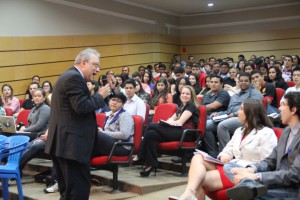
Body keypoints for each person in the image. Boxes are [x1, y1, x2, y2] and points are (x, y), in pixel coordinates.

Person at [172, 99, 277, 200]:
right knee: (197, 157)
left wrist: (250, 169)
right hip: (230, 165)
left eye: (241, 109)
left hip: (245, 172)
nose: (238, 112)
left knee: (197, 180)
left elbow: (268, 163)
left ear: (250, 113)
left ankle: (188, 194)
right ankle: (188, 194)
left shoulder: (266, 133)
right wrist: (224, 155)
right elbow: (227, 150)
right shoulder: (239, 131)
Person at [44, 48, 111, 200]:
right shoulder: (74, 78)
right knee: (78, 193)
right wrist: (100, 96)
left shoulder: (68, 76)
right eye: (95, 65)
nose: (98, 69)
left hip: (65, 144)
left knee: (68, 193)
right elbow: (82, 107)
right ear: (83, 63)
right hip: (72, 146)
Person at [226, 92, 300, 200]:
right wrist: (252, 169)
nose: (279, 108)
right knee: (231, 168)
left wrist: (257, 176)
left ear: (293, 110)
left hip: (293, 190)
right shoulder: (287, 131)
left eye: (283, 105)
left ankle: (249, 186)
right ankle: (249, 185)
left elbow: (295, 175)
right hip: (278, 183)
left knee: (245, 195)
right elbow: (270, 161)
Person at [133, 85, 199, 177]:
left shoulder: (191, 106)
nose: (184, 95)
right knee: (151, 134)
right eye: (183, 93)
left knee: (151, 125)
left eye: (187, 94)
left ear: (192, 96)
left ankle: (140, 155)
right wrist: (168, 122)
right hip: (178, 131)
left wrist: (170, 122)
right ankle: (151, 163)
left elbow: (180, 122)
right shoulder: (181, 107)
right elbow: (170, 119)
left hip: (186, 133)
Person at [204, 72, 263, 158]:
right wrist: (219, 113)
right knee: (206, 125)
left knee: (222, 125)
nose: (243, 82)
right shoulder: (235, 95)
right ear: (238, 82)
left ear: (250, 82)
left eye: (246, 81)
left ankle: (226, 156)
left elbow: (251, 109)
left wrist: (234, 114)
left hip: (246, 118)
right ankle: (213, 154)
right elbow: (228, 111)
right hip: (229, 116)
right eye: (241, 81)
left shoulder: (255, 93)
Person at [92, 92, 134, 157]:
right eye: (113, 100)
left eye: (118, 101)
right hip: (111, 143)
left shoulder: (124, 116)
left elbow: (124, 135)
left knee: (95, 135)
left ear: (123, 104)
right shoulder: (108, 114)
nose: (114, 102)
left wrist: (103, 133)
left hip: (121, 146)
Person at [19, 89, 51, 169]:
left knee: (31, 146)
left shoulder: (45, 108)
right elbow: (31, 124)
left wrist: (25, 130)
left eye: (39, 96)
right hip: (33, 133)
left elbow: (39, 126)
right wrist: (24, 128)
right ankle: (14, 168)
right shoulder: (34, 109)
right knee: (15, 140)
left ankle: (15, 166)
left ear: (44, 98)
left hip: (41, 134)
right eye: (35, 96)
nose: (37, 98)